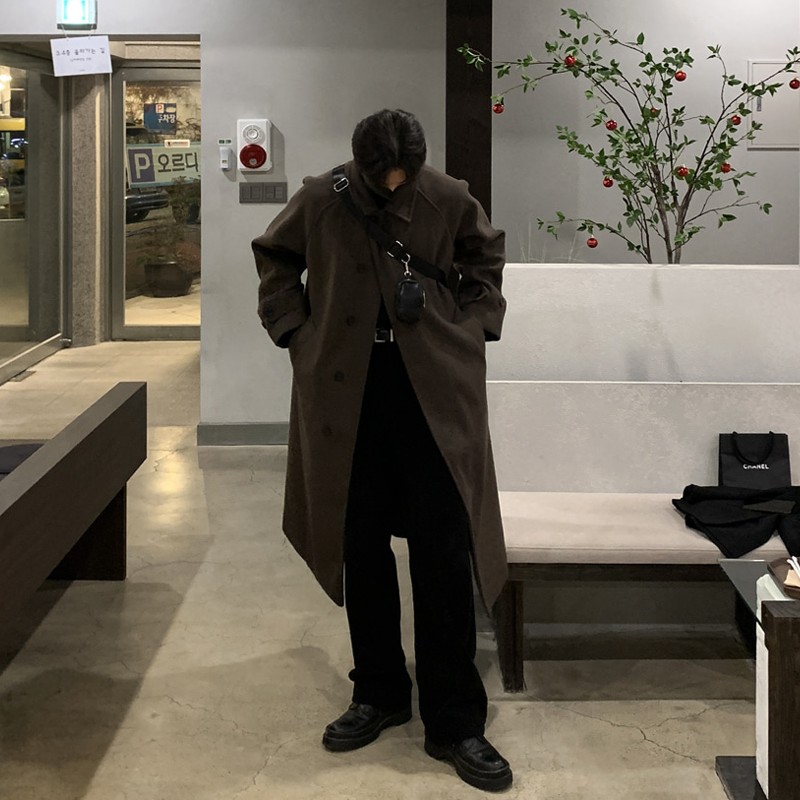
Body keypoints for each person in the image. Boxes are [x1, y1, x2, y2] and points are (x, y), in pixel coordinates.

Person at [252, 109, 511, 792]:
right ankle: (379, 691)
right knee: (359, 544)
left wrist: (474, 328)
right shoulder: (321, 197)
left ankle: (454, 720)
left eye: (404, 176)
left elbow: (485, 257)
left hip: (435, 392)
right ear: (359, 165)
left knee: (443, 550)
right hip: (347, 396)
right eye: (381, 178)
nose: (394, 185)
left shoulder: (448, 196)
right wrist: (295, 334)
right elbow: (274, 256)